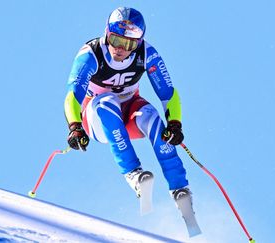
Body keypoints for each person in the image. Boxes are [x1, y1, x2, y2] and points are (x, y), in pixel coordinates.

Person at [63, 7, 193, 210]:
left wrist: (175, 124)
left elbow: (168, 93)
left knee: (151, 117)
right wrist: (75, 126)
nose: (120, 49)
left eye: (129, 44)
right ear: (107, 33)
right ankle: (133, 173)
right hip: (97, 117)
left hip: (129, 111)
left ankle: (180, 189)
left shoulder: (147, 54)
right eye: (116, 40)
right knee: (107, 102)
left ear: (138, 42)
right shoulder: (91, 54)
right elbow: (72, 96)